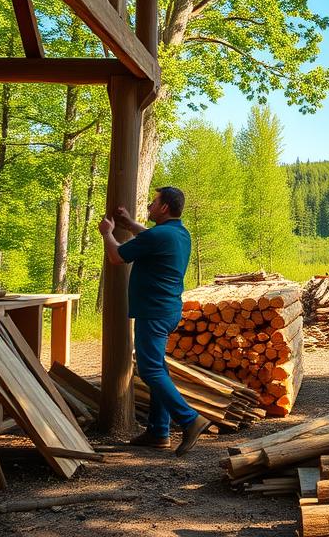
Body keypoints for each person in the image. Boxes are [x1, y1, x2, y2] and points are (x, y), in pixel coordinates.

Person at [98, 186, 210, 455]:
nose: (149, 205)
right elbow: (148, 236)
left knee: (150, 370)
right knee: (158, 367)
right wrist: (129, 224)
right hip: (168, 310)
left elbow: (116, 256)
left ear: (164, 207)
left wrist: (107, 234)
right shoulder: (179, 233)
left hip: (153, 312)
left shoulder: (159, 235)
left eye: (154, 202)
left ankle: (190, 420)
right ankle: (159, 432)